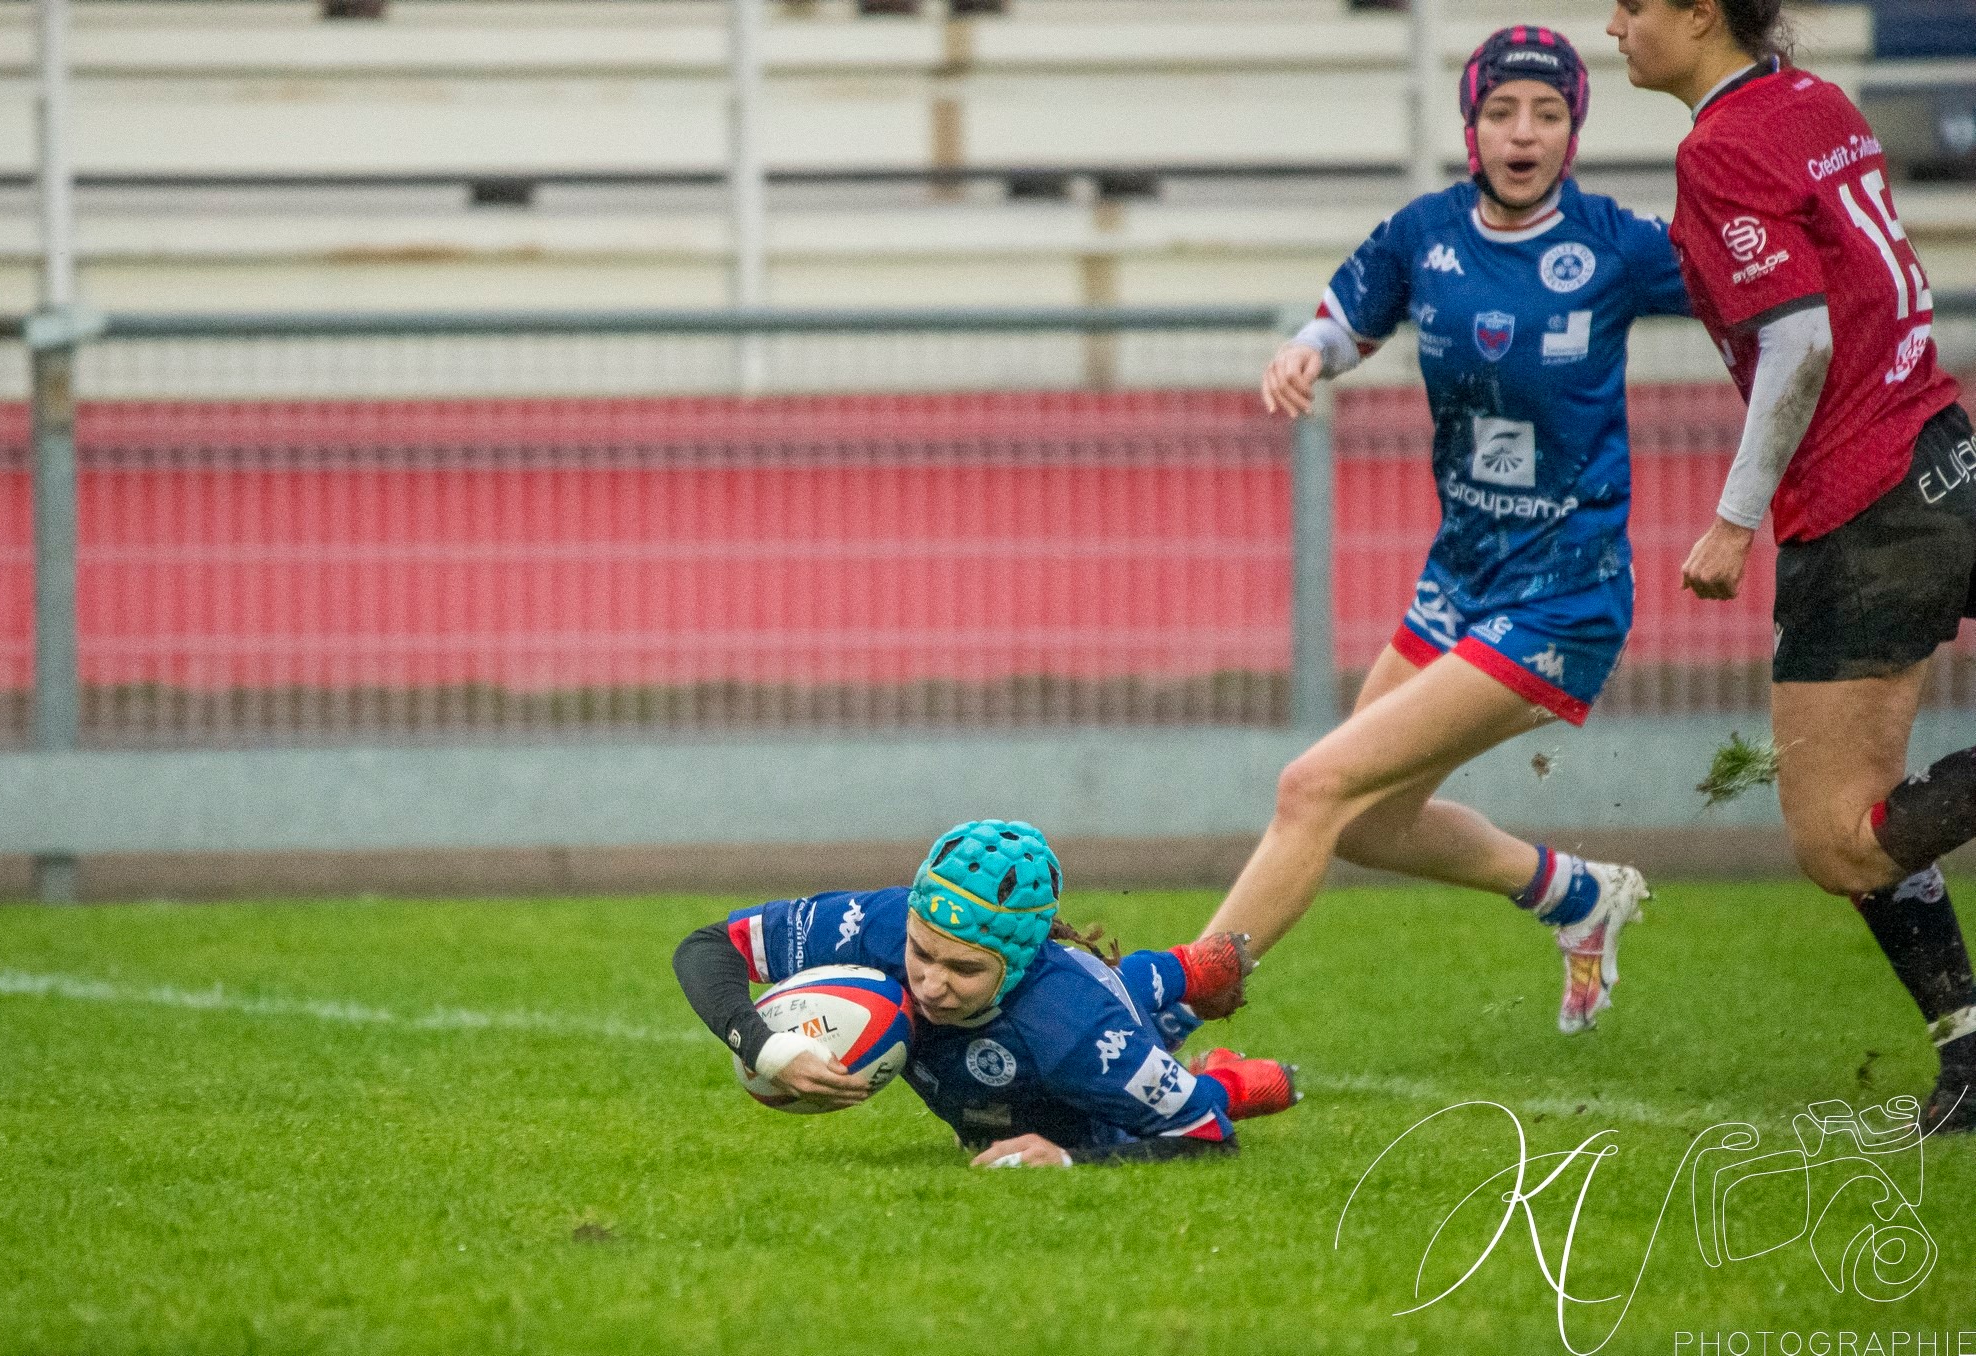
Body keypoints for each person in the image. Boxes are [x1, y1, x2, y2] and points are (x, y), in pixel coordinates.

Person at [1196, 28, 1690, 1035]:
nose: (1523, 134)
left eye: (1546, 114)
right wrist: (1305, 351)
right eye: (1501, 112)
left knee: (1312, 786)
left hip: (1564, 594)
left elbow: (1764, 301)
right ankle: (1576, 893)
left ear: (1573, 131)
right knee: (1366, 823)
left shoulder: (1616, 243)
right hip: (1457, 580)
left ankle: (1169, 1007)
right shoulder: (1424, 233)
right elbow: (1344, 320)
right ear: (1471, 129)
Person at [1610, 0, 1976, 1131]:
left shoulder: (1719, 147)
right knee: (1871, 816)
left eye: (1632, 4)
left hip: (1865, 500)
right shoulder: (1811, 100)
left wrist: (1733, 519)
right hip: (1942, 449)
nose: (1614, 25)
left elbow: (1801, 334)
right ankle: (1969, 1052)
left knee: (1837, 842)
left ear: (1698, 14)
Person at [672, 819, 1300, 1165]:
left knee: (1144, 1036)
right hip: (1050, 1013)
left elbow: (1208, 1137)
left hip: (1082, 1058)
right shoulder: (880, 925)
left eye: (964, 969)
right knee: (1111, 995)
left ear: (1016, 964)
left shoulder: (1073, 1029)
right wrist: (766, 1046)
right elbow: (709, 946)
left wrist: (1068, 1162)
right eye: (922, 953)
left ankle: (1231, 1075)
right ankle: (1187, 969)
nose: (930, 983)